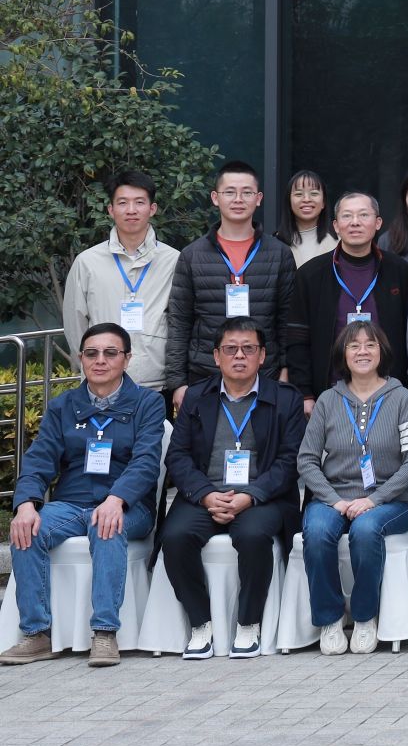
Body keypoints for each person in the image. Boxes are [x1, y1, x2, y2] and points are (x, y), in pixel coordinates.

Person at [0, 323, 165, 668]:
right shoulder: (63, 406)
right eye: (92, 353)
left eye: (110, 353)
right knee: (27, 529)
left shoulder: (148, 403)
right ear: (81, 359)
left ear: (127, 359)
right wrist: (26, 504)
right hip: (71, 504)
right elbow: (39, 460)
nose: (100, 360)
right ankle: (37, 633)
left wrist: (116, 499)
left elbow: (147, 462)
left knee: (106, 526)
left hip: (128, 506)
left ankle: (104, 632)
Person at [159, 320, 307, 659]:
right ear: (216, 356)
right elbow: (177, 456)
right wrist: (205, 494)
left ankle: (248, 623)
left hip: (261, 498)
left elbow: (291, 460)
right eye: (230, 349)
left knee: (253, 536)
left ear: (262, 355)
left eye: (248, 348)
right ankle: (200, 623)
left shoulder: (285, 399)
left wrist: (250, 496)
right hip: (204, 496)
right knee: (176, 536)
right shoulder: (196, 396)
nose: (239, 356)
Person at [295, 321, 408, 655]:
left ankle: (365, 616)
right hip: (334, 497)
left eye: (370, 344)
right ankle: (330, 618)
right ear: (343, 354)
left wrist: (375, 499)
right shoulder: (328, 400)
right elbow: (306, 460)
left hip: (389, 500)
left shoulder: (402, 398)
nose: (362, 351)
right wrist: (334, 500)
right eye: (354, 346)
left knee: (366, 530)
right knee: (317, 532)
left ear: (382, 352)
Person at [165, 160, 298, 408]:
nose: (238, 199)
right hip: (205, 375)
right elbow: (179, 321)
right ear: (215, 198)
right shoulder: (192, 255)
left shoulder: (279, 254)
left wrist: (285, 369)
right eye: (229, 192)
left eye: (246, 192)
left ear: (258, 198)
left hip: (265, 375)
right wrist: (178, 382)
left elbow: (286, 320)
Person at [62, 170, 180, 396]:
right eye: (123, 203)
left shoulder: (173, 261)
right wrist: (93, 366)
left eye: (139, 202)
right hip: (101, 384)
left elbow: (181, 322)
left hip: (156, 383)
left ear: (152, 209)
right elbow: (75, 324)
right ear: (111, 209)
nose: (131, 210)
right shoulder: (87, 262)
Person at [288, 191, 408, 399]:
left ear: (378, 223)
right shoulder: (311, 274)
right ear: (336, 226)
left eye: (364, 215)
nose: (355, 222)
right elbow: (297, 338)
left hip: (389, 391)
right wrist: (305, 394)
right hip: (329, 391)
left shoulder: (399, 271)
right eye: (347, 216)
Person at [277, 170, 337, 268]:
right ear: (289, 202)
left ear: (323, 202)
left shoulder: (340, 241)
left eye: (314, 194)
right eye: (299, 194)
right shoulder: (274, 243)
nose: (306, 199)